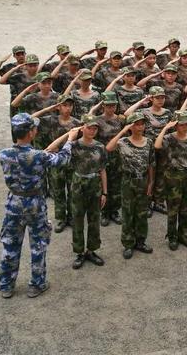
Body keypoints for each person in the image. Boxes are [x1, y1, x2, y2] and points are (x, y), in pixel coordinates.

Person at [0, 113, 78, 299]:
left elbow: (34, 154)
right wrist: (70, 139)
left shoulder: (4, 154)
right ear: (31, 133)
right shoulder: (38, 156)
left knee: (10, 244)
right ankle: (37, 284)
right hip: (34, 203)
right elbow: (62, 160)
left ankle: (6, 285)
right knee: (38, 244)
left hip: (14, 202)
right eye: (34, 128)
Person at [106, 112, 155, 260]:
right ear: (130, 126)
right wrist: (122, 131)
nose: (140, 127)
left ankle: (140, 241)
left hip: (143, 180)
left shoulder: (149, 142)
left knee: (141, 213)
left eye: (142, 124)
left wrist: (151, 182)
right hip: (128, 181)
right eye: (137, 124)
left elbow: (151, 164)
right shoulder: (123, 142)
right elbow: (108, 148)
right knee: (128, 213)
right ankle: (128, 243)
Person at [33, 94, 80, 232]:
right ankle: (61, 218)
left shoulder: (76, 123)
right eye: (64, 105)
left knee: (72, 191)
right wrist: (49, 108)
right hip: (55, 162)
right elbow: (31, 119)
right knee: (58, 191)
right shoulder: (50, 120)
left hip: (72, 162)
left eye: (70, 105)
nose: (68, 108)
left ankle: (71, 216)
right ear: (58, 106)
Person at [125, 86, 172, 214]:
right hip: (147, 148)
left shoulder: (167, 112)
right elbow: (127, 114)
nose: (160, 100)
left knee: (161, 175)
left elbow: (171, 131)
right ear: (151, 98)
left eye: (162, 97)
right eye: (157, 97)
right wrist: (141, 102)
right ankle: (147, 202)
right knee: (148, 176)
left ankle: (159, 202)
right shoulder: (144, 112)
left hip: (163, 148)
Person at [155, 111, 187, 250]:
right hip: (173, 177)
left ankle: (183, 234)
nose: (185, 127)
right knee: (173, 208)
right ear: (176, 125)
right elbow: (157, 146)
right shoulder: (169, 138)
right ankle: (172, 236)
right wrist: (165, 128)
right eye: (181, 124)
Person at [70, 114, 107, 270]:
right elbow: (52, 149)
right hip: (78, 183)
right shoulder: (73, 145)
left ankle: (91, 250)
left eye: (95, 128)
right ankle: (79, 252)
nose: (92, 131)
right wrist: (70, 135)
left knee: (94, 219)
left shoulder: (100, 147)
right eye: (89, 127)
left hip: (94, 184)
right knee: (78, 219)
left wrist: (105, 192)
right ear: (82, 127)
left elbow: (103, 170)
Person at [91, 91, 125, 226]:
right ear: (103, 106)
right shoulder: (97, 120)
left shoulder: (121, 120)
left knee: (116, 185)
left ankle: (115, 211)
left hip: (117, 156)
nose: (111, 108)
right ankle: (104, 212)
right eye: (108, 105)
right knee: (102, 185)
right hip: (102, 156)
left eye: (114, 105)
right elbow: (87, 118)